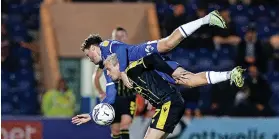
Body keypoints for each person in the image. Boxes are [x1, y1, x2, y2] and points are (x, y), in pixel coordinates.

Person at [72, 52, 245, 139]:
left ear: (118, 65)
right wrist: (91, 115)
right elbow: (110, 101)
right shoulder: (127, 80)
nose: (108, 74)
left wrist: (170, 73)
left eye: (109, 70)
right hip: (168, 104)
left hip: (169, 102)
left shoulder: (132, 69)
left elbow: (153, 57)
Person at [80, 10, 227, 88]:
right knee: (189, 81)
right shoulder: (105, 65)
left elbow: (121, 51)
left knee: (168, 43)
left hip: (142, 53)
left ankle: (207, 19)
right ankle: (229, 75)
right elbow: (110, 89)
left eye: (88, 54)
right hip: (152, 70)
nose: (89, 58)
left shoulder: (105, 46)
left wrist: (123, 73)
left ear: (94, 48)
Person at [93, 27, 136, 139]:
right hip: (114, 98)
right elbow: (96, 76)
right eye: (116, 36)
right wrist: (100, 92)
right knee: (115, 130)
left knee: (125, 125)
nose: (120, 38)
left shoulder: (131, 54)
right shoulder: (106, 57)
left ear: (126, 37)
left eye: (122, 36)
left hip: (129, 97)